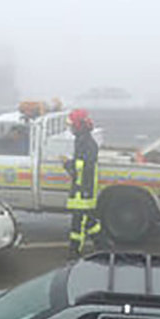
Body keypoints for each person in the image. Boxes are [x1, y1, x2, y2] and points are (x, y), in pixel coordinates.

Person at [63, 108, 103, 256]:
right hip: (83, 190)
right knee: (90, 222)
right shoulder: (83, 140)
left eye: (72, 125)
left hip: (83, 192)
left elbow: (82, 166)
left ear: (79, 125)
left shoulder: (86, 142)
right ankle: (102, 245)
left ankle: (74, 252)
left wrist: (68, 164)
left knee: (78, 225)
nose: (71, 128)